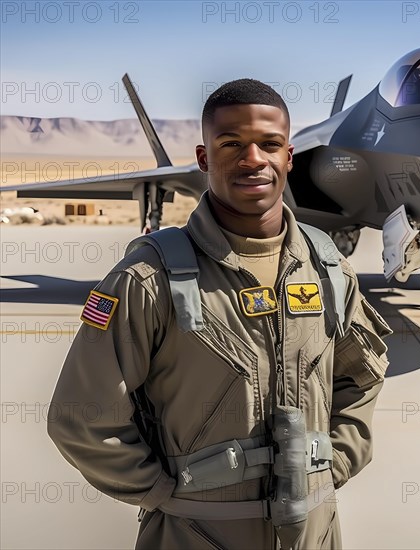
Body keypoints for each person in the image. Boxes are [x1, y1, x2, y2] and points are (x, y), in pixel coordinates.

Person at [47, 79, 392, 549]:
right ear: (204, 158)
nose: (253, 160)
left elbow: (361, 380)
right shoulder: (148, 277)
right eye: (232, 144)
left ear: (289, 157)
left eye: (270, 145)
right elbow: (80, 419)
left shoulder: (328, 268)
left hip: (314, 532)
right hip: (195, 533)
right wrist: (164, 492)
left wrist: (332, 464)